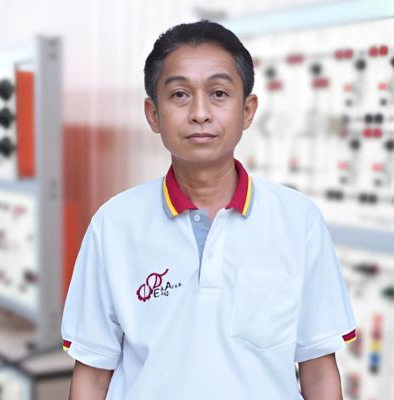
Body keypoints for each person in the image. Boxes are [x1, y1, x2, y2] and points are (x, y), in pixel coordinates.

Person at [62, 20, 356, 399]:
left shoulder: (298, 221)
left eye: (218, 93)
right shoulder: (114, 225)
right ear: (153, 114)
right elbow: (92, 372)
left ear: (247, 110)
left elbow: (318, 370)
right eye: (179, 94)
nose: (200, 113)